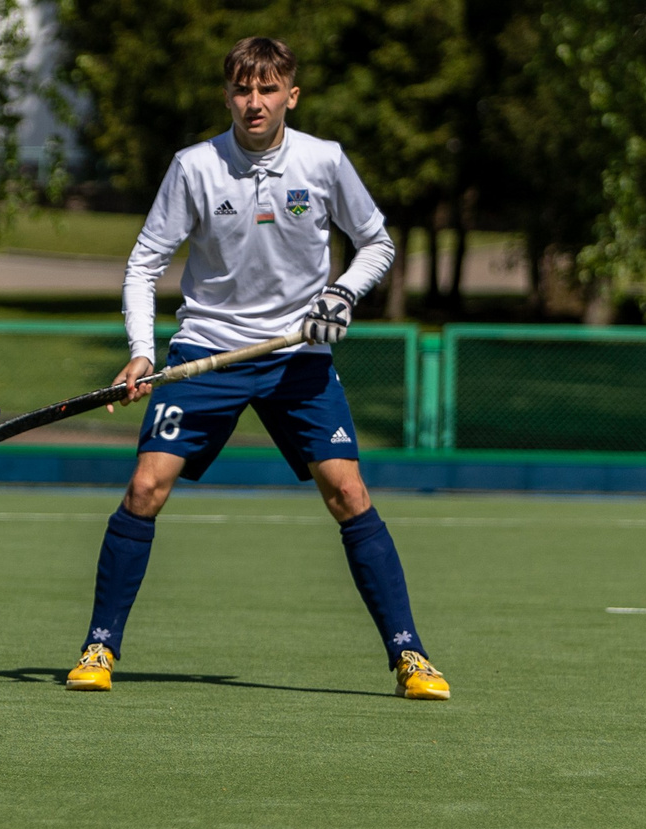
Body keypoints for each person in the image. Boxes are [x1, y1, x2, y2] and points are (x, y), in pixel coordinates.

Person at [64, 36, 447, 700]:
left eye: (268, 89)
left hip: (298, 353)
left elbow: (376, 242)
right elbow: (144, 263)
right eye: (243, 89)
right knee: (146, 487)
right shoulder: (195, 166)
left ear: (290, 96)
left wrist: (340, 294)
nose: (255, 102)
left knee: (348, 492)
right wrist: (142, 351)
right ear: (228, 95)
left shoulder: (323, 161)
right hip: (207, 351)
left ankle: (410, 655)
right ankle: (99, 645)